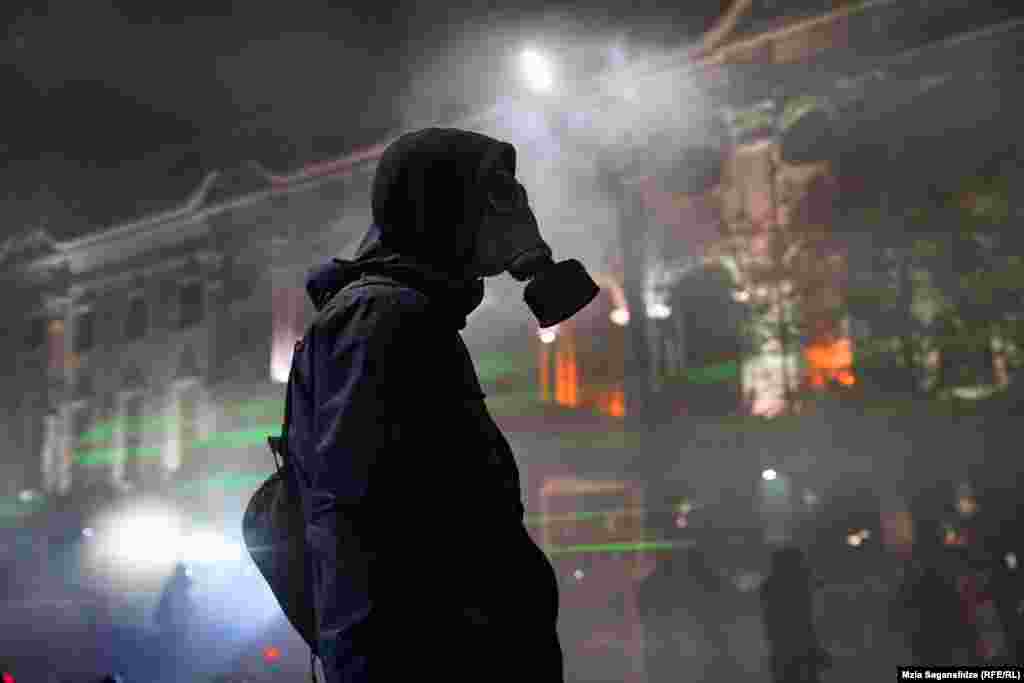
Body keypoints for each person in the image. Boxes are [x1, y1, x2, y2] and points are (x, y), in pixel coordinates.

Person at [286, 128, 600, 682]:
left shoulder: (402, 313)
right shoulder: (383, 317)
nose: (512, 212)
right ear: (440, 205)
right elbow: (368, 526)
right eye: (495, 195)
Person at [760, 547, 829, 683]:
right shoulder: (796, 588)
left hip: (782, 655)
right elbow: (802, 624)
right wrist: (815, 651)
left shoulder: (771, 588)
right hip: (798, 655)